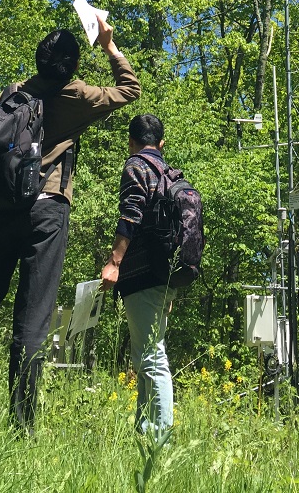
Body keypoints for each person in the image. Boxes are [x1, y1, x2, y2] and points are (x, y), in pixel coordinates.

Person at [0, 16, 140, 432]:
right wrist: (109, 45)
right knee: (33, 318)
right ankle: (22, 425)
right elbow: (130, 88)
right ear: (72, 67)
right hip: (46, 212)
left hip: (1, 209)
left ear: (39, 59)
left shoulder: (15, 91)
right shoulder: (74, 94)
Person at [101, 113, 177, 436]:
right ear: (161, 144)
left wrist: (114, 262)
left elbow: (130, 214)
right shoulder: (169, 173)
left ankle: (160, 439)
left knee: (151, 358)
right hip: (165, 276)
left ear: (132, 142)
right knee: (146, 354)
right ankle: (145, 433)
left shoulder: (136, 166)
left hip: (142, 274)